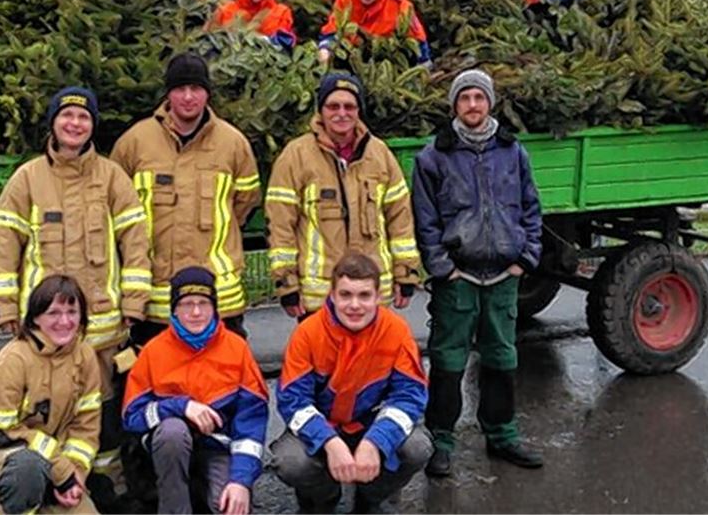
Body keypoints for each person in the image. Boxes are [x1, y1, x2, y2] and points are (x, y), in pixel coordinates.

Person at [0, 86, 151, 505]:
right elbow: (4, 246)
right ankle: (47, 484)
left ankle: (108, 487)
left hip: (103, 330)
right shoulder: (27, 179)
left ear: (92, 126)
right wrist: (5, 305)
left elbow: (135, 242)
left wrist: (133, 304)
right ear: (54, 123)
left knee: (103, 415)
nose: (75, 124)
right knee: (45, 410)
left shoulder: (112, 177)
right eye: (67, 117)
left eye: (83, 118)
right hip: (45, 332)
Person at [410, 69, 544, 477]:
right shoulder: (433, 156)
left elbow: (531, 207)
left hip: (504, 274)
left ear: (490, 103)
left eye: (479, 98)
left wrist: (527, 258)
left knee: (502, 356)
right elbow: (425, 220)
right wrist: (442, 268)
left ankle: (502, 434)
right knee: (449, 360)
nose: (472, 105)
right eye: (464, 98)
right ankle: (441, 441)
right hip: (458, 278)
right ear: (454, 106)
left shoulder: (512, 151)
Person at [111, 52, 261, 340]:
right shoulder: (135, 142)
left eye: (196, 89)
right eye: (180, 89)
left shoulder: (233, 144)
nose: (188, 97)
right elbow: (116, 206)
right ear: (168, 94)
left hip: (219, 298)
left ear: (207, 94)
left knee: (222, 379)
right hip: (155, 298)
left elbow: (244, 202)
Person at [271, 253, 433, 513]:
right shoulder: (308, 333)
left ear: (378, 297)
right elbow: (293, 400)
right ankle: (323, 500)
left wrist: (376, 441)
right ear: (332, 295)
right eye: (345, 295)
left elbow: (410, 396)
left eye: (364, 296)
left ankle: (370, 500)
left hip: (370, 423)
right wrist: (328, 441)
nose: (355, 305)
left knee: (417, 448)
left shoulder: (396, 332)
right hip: (323, 423)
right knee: (290, 461)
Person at [265, 71, 422, 317]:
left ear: (359, 111)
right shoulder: (295, 156)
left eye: (349, 106)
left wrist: (406, 273)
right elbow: (281, 226)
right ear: (321, 111)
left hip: (372, 294)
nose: (341, 113)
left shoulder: (380, 155)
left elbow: (400, 220)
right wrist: (287, 284)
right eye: (333, 106)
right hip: (319, 298)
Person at [122, 267, 268, 515]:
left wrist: (241, 481)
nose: (196, 312)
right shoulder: (153, 352)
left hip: (219, 446)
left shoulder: (236, 349)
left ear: (215, 308)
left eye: (203, 303)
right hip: (169, 449)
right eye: (187, 304)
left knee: (227, 507)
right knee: (172, 432)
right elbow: (132, 417)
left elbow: (251, 422)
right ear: (174, 310)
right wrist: (180, 407)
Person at [0, 275, 102, 515]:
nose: (64, 321)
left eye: (72, 312)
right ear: (35, 318)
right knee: (27, 472)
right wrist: (62, 471)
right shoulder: (13, 360)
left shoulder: (85, 356)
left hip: (53, 464)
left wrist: (76, 475)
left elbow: (86, 427)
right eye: (53, 313)